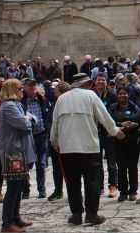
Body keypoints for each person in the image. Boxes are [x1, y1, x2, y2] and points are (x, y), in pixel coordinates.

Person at [50, 73, 126, 226]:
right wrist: (115, 131)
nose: (91, 85)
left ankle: (76, 214)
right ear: (84, 84)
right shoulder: (91, 96)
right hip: (88, 147)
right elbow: (104, 116)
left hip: (67, 148)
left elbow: (55, 122)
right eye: (89, 83)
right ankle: (91, 215)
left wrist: (54, 140)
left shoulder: (62, 99)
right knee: (92, 182)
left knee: (72, 183)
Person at [0, 79, 36, 233]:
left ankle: (15, 217)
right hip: (13, 152)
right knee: (13, 187)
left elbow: (30, 120)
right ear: (13, 90)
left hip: (20, 151)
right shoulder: (9, 107)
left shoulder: (16, 105)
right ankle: (7, 223)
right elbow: (24, 124)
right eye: (20, 88)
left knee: (19, 185)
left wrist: (28, 119)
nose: (22, 91)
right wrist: (28, 120)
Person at [109, 86, 140, 202]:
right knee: (121, 167)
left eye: (125, 93)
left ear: (128, 95)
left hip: (133, 141)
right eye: (120, 94)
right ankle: (123, 192)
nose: (122, 95)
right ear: (117, 95)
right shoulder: (113, 107)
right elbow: (109, 122)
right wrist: (121, 124)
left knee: (133, 167)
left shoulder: (134, 107)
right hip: (118, 141)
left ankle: (133, 191)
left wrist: (135, 125)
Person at [20, 79, 50, 199]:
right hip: (27, 136)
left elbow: (47, 115)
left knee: (41, 163)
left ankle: (42, 189)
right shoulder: (22, 101)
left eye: (34, 86)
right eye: (30, 86)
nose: (32, 88)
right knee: (26, 163)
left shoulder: (42, 99)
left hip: (41, 134)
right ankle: (25, 190)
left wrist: (47, 130)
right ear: (25, 88)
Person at [92, 73, 118, 198]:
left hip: (109, 133)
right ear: (95, 82)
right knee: (97, 161)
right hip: (95, 132)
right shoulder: (91, 95)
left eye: (103, 80)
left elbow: (115, 113)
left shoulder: (112, 96)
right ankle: (100, 186)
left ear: (106, 82)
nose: (101, 82)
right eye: (99, 80)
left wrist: (111, 129)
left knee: (111, 161)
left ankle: (113, 185)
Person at [47, 82, 69, 202]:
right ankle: (58, 190)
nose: (55, 94)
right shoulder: (55, 104)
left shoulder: (68, 106)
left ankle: (72, 190)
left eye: (57, 92)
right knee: (56, 168)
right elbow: (50, 121)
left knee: (68, 168)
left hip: (64, 141)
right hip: (54, 140)